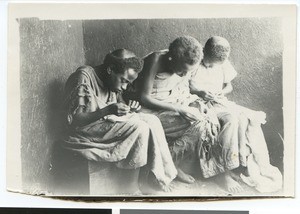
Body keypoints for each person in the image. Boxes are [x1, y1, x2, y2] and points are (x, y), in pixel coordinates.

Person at [61, 49, 177, 194]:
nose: (124, 87)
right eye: (123, 81)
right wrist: (108, 110)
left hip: (105, 121)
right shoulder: (83, 77)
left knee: (152, 120)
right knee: (139, 127)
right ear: (110, 70)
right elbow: (76, 120)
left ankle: (156, 176)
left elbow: (118, 104)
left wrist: (129, 109)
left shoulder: (112, 81)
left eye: (128, 84)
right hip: (85, 128)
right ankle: (130, 187)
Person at [189, 36, 282, 193]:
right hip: (197, 103)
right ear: (205, 52)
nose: (212, 66)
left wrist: (220, 92)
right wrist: (200, 92)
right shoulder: (194, 59)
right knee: (231, 120)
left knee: (246, 118)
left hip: (218, 101)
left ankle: (239, 166)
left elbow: (229, 87)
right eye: (210, 62)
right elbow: (182, 86)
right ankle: (222, 172)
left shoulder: (223, 61)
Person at [127, 36, 219, 185]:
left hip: (172, 105)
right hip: (148, 110)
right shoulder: (155, 60)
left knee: (207, 121)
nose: (183, 74)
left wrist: (195, 102)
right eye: (182, 70)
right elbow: (144, 97)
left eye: (187, 72)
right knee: (199, 124)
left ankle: (171, 164)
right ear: (171, 59)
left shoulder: (187, 63)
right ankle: (161, 169)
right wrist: (179, 108)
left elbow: (180, 88)